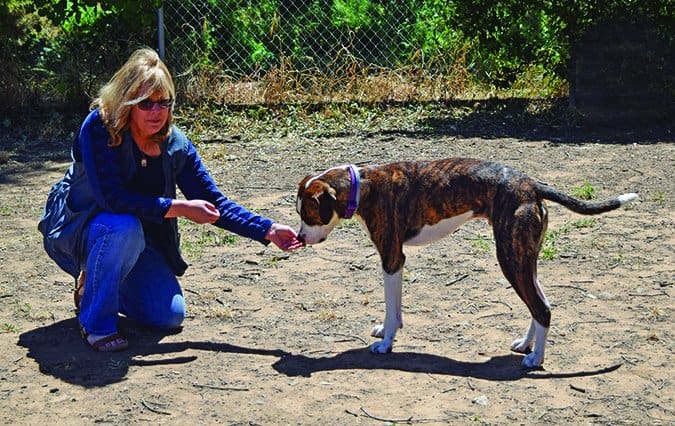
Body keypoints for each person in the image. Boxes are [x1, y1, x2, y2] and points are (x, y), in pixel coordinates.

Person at [38, 48, 304, 352]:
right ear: (127, 102)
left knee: (169, 315)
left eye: (163, 102)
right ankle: (96, 324)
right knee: (122, 226)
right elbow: (113, 199)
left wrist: (266, 228)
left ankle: (94, 288)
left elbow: (212, 201)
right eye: (146, 103)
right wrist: (179, 208)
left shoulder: (176, 144)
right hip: (80, 230)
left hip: (136, 243)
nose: (156, 111)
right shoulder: (100, 127)